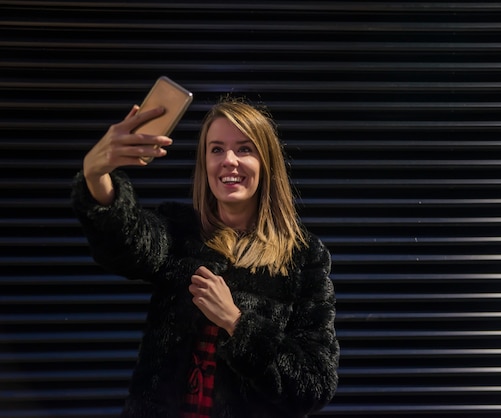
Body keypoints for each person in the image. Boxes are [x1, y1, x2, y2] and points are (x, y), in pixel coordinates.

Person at [71, 97, 340, 417]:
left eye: (244, 148)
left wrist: (236, 322)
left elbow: (315, 385)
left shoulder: (304, 258)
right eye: (216, 149)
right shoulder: (180, 231)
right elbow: (126, 240)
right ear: (205, 162)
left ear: (266, 162)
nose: (229, 160)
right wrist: (96, 172)